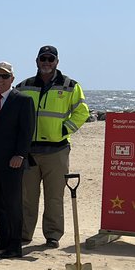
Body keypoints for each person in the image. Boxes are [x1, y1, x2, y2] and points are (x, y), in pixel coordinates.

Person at [17, 45, 90, 248]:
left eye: (50, 59)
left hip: (57, 150)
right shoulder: (24, 86)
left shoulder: (70, 85)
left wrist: (64, 130)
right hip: (30, 151)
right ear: (37, 61)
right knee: (27, 198)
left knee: (54, 197)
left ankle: (52, 235)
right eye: (43, 59)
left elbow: (82, 112)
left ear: (57, 61)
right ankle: (24, 234)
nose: (46, 63)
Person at [0, 62, 34, 259]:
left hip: (13, 161)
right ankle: (1, 239)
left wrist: (20, 154)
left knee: (13, 204)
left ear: (12, 78)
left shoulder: (23, 101)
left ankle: (14, 245)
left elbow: (26, 131)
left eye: (5, 76)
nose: (0, 80)